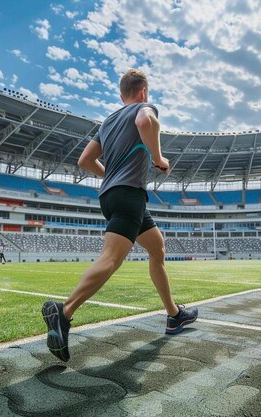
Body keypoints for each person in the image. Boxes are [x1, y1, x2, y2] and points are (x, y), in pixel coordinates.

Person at [42, 69, 198, 362]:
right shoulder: (143, 108)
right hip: (129, 195)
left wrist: (110, 175)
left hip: (112, 195)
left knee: (157, 248)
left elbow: (85, 160)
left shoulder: (108, 122)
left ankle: (174, 315)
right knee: (111, 259)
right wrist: (158, 159)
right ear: (143, 92)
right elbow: (144, 121)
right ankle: (63, 312)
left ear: (121, 94)